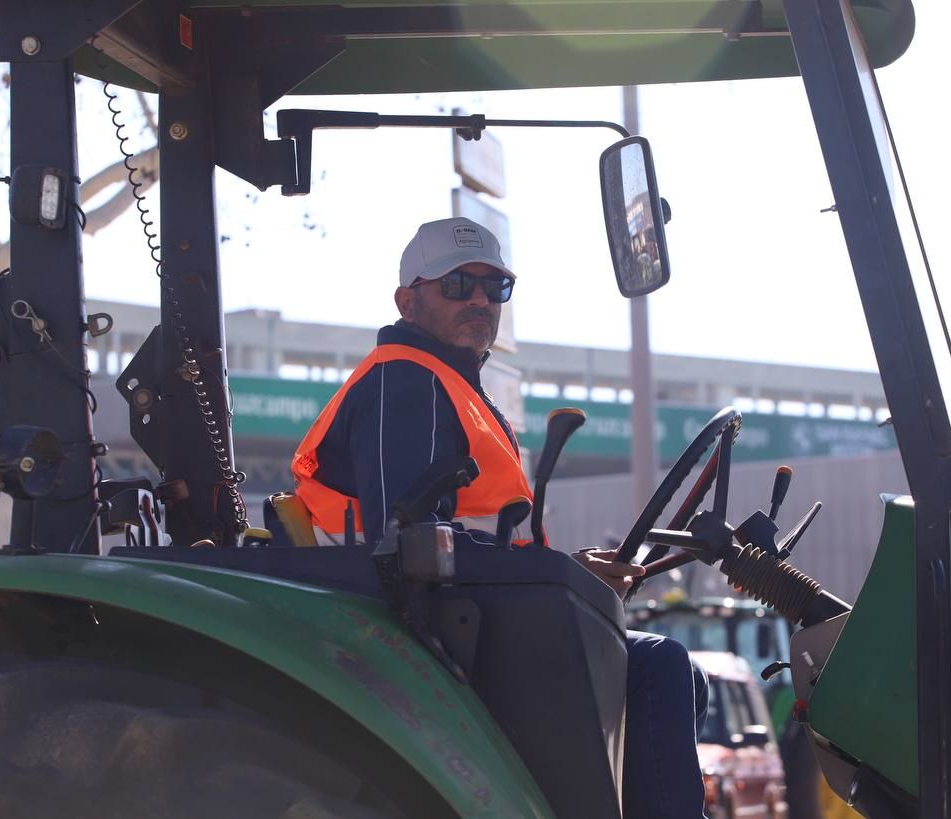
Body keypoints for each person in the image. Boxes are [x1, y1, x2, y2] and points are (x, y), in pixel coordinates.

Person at [291, 216, 708, 817]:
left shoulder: (452, 387)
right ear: (408, 299)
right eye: (459, 285)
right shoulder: (404, 383)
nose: (481, 300)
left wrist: (568, 571)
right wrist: (554, 574)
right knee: (657, 666)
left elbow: (466, 535)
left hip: (480, 614)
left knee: (669, 673)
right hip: (433, 630)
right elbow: (407, 543)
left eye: (496, 288)